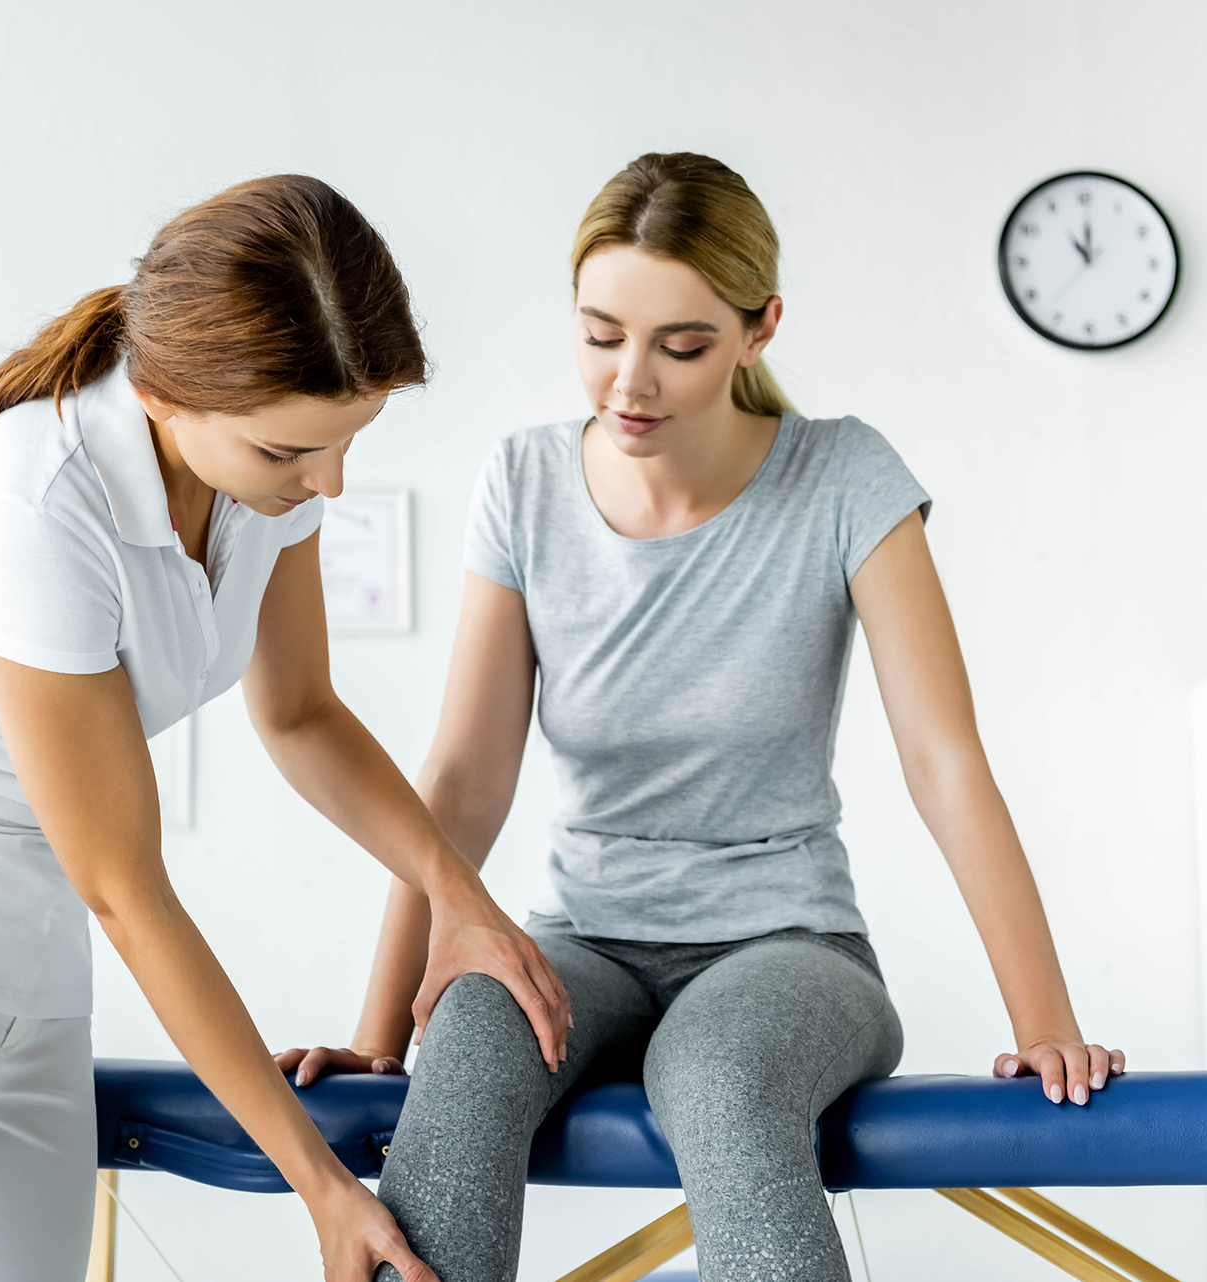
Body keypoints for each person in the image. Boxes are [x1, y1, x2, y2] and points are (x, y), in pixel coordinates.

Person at [277, 153, 1124, 1282]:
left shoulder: (843, 477)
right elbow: (465, 782)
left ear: (759, 329)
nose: (631, 380)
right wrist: (381, 1035)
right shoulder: (525, 482)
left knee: (719, 1071)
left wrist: (1046, 1022)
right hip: (584, 941)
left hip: (788, 946)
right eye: (600, 335)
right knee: (470, 1039)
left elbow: (943, 760)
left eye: (681, 346)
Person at [0, 176, 569, 1282]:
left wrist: (459, 896)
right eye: (290, 453)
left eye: (349, 440)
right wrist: (322, 1187)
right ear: (164, 396)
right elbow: (128, 888)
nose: (329, 483)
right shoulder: (32, 500)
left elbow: (301, 714)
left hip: (33, 979)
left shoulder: (267, 484)